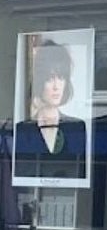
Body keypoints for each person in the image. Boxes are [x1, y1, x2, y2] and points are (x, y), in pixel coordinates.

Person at [14, 40, 87, 179]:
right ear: (40, 82)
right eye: (49, 79)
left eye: (60, 78)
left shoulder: (77, 127)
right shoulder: (23, 130)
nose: (56, 86)